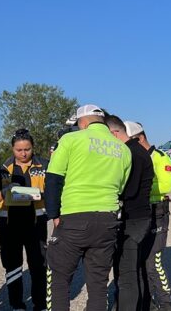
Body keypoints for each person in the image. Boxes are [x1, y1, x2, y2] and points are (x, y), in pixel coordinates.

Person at [44, 104, 131, 311]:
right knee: (98, 285)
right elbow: (120, 187)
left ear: (82, 122)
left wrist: (54, 214)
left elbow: (54, 179)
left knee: (59, 281)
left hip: (74, 216)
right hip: (107, 220)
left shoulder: (71, 139)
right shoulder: (123, 149)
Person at [0, 129, 48, 311]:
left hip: (36, 224)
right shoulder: (3, 169)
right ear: (12, 149)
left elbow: (53, 191)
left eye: (27, 149)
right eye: (19, 150)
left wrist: (39, 194)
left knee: (38, 265)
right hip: (10, 225)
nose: (24, 153)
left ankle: (40, 304)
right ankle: (16, 303)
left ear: (33, 147)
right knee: (13, 266)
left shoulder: (44, 166)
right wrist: (6, 192)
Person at [105, 116, 154, 311]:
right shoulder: (137, 151)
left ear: (114, 133)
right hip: (139, 218)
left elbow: (130, 190)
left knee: (126, 275)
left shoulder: (132, 153)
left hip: (133, 220)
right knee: (134, 271)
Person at [128, 121, 171, 310]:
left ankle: (166, 304)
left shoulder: (161, 157)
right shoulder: (133, 157)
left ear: (139, 138)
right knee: (137, 260)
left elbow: (165, 186)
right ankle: (145, 302)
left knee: (153, 261)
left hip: (157, 210)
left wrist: (139, 189)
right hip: (138, 212)